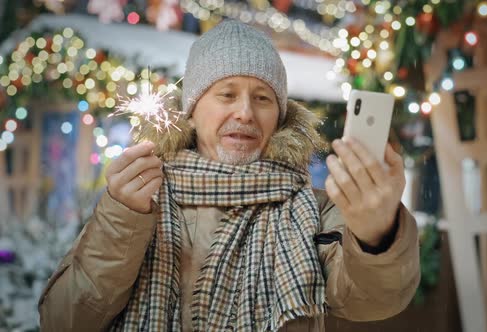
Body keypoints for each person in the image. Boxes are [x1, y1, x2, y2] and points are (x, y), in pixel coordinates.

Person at [38, 20, 420, 331]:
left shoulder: (315, 209)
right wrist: (123, 218)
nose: (245, 113)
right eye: (226, 94)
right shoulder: (139, 195)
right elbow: (64, 321)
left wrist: (376, 236)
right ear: (192, 108)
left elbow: (372, 300)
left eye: (262, 98)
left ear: (280, 116)